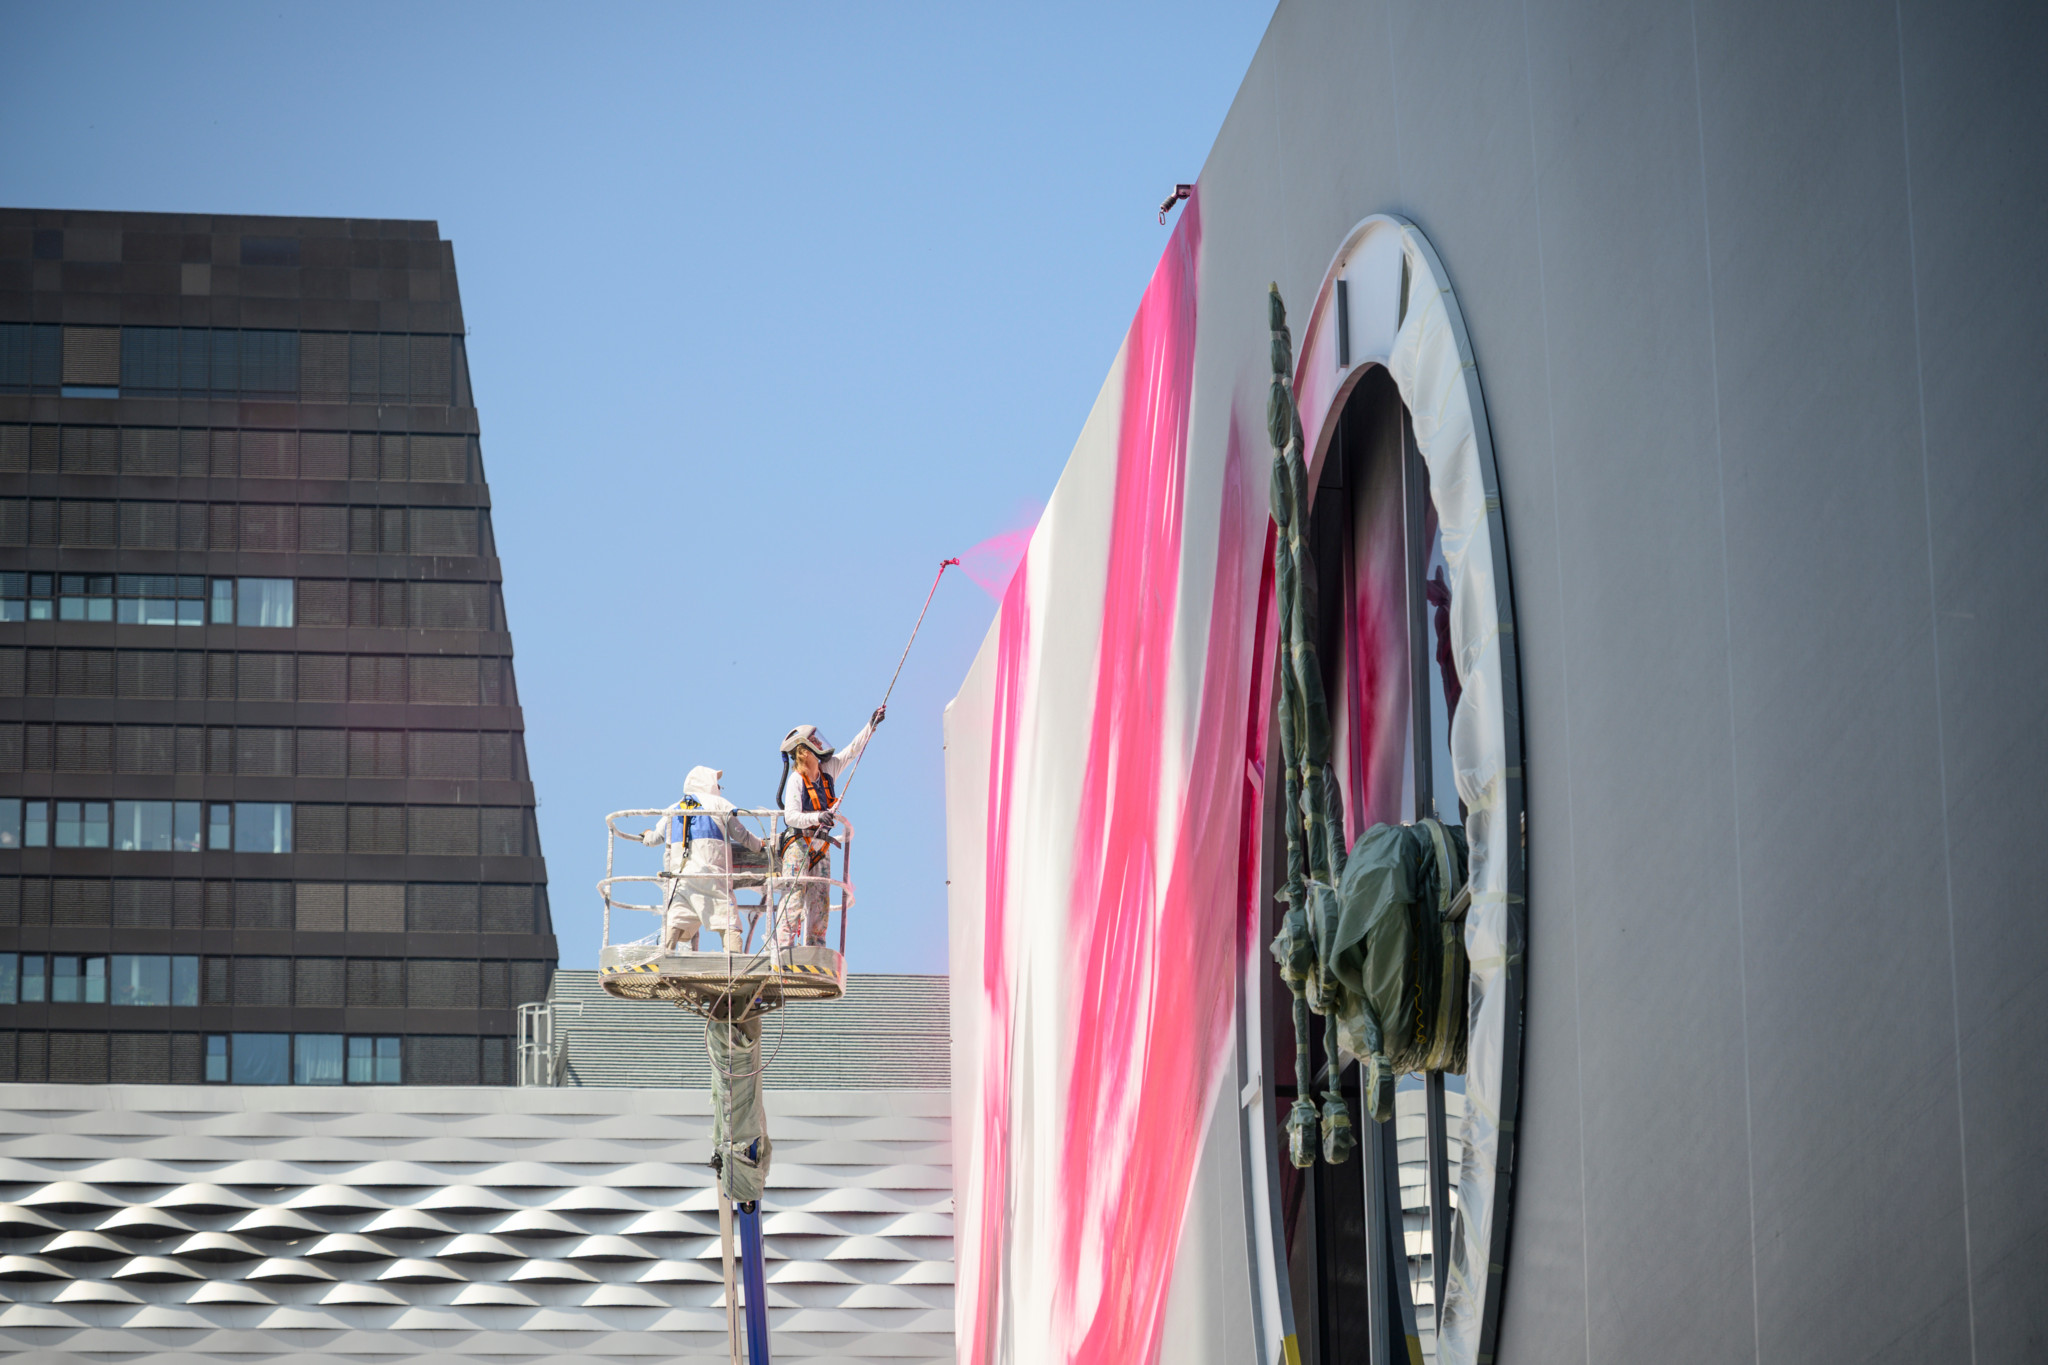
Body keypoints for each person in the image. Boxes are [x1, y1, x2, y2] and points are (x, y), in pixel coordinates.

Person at [775, 705, 884, 946]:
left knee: (820, 901)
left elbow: (852, 751)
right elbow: (790, 816)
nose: (820, 744)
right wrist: (817, 817)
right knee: (794, 896)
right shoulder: (796, 780)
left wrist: (870, 726)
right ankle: (783, 946)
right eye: (814, 741)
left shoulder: (828, 772)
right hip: (798, 845)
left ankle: (815, 945)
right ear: (805, 750)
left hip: (820, 848)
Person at [640, 765, 765, 952]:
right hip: (711, 874)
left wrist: (646, 835)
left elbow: (655, 838)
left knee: (676, 917)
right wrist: (759, 845)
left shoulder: (673, 809)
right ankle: (734, 959)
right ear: (708, 783)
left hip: (681, 877)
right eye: (717, 785)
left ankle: (662, 958)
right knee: (727, 918)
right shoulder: (720, 805)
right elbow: (741, 834)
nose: (719, 789)